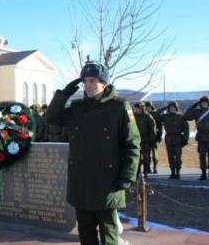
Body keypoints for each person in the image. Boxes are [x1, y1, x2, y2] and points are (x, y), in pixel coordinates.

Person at [46, 61, 140, 245]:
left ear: (104, 83)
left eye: (92, 81)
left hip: (108, 181)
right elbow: (51, 118)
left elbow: (132, 144)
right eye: (85, 81)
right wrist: (63, 95)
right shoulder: (77, 108)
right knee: (86, 233)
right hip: (81, 179)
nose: (87, 85)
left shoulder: (119, 107)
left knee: (109, 235)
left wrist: (127, 176)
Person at [184, 96, 209, 181]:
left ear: (208, 103)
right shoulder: (197, 112)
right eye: (202, 102)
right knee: (202, 157)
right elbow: (186, 116)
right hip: (201, 138)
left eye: (206, 102)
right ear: (200, 103)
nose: (204, 103)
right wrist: (193, 106)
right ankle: (203, 174)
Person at [156, 101, 189, 179]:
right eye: (170, 108)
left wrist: (185, 139)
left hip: (178, 139)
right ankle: (172, 172)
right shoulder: (165, 116)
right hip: (169, 139)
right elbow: (156, 116)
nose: (172, 109)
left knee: (178, 157)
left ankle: (178, 173)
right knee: (170, 157)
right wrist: (163, 108)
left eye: (173, 108)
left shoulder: (181, 117)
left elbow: (186, 129)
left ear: (176, 108)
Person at [133, 102, 156, 178]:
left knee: (146, 158)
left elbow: (152, 128)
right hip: (135, 140)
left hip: (145, 140)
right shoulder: (132, 117)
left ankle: (145, 172)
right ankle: (137, 173)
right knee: (136, 158)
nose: (137, 110)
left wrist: (152, 139)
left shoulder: (147, 117)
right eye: (135, 108)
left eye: (138, 108)